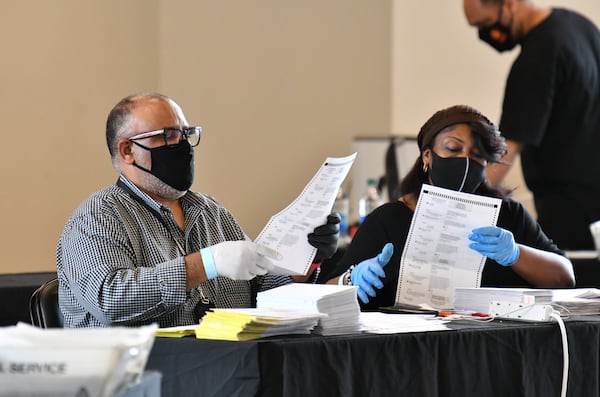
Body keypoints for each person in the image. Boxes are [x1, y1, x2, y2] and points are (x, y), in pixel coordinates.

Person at [57, 93, 339, 327]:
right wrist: (206, 264)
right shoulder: (96, 218)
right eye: (167, 136)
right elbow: (110, 299)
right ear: (128, 150)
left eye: (185, 134)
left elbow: (262, 291)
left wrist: (305, 259)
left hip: (223, 370)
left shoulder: (211, 212)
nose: (181, 146)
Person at [327, 105, 575, 310]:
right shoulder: (388, 219)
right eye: (453, 149)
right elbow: (323, 292)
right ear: (427, 156)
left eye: (477, 155)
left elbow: (565, 277)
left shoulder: (508, 214)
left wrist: (516, 254)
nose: (465, 161)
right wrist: (349, 280)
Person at [462, 0, 600, 250]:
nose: (485, 35)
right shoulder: (579, 26)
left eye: (485, 24)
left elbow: (504, 152)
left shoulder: (537, 58)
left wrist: (463, 209)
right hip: (592, 205)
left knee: (571, 283)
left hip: (570, 211)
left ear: (510, 4)